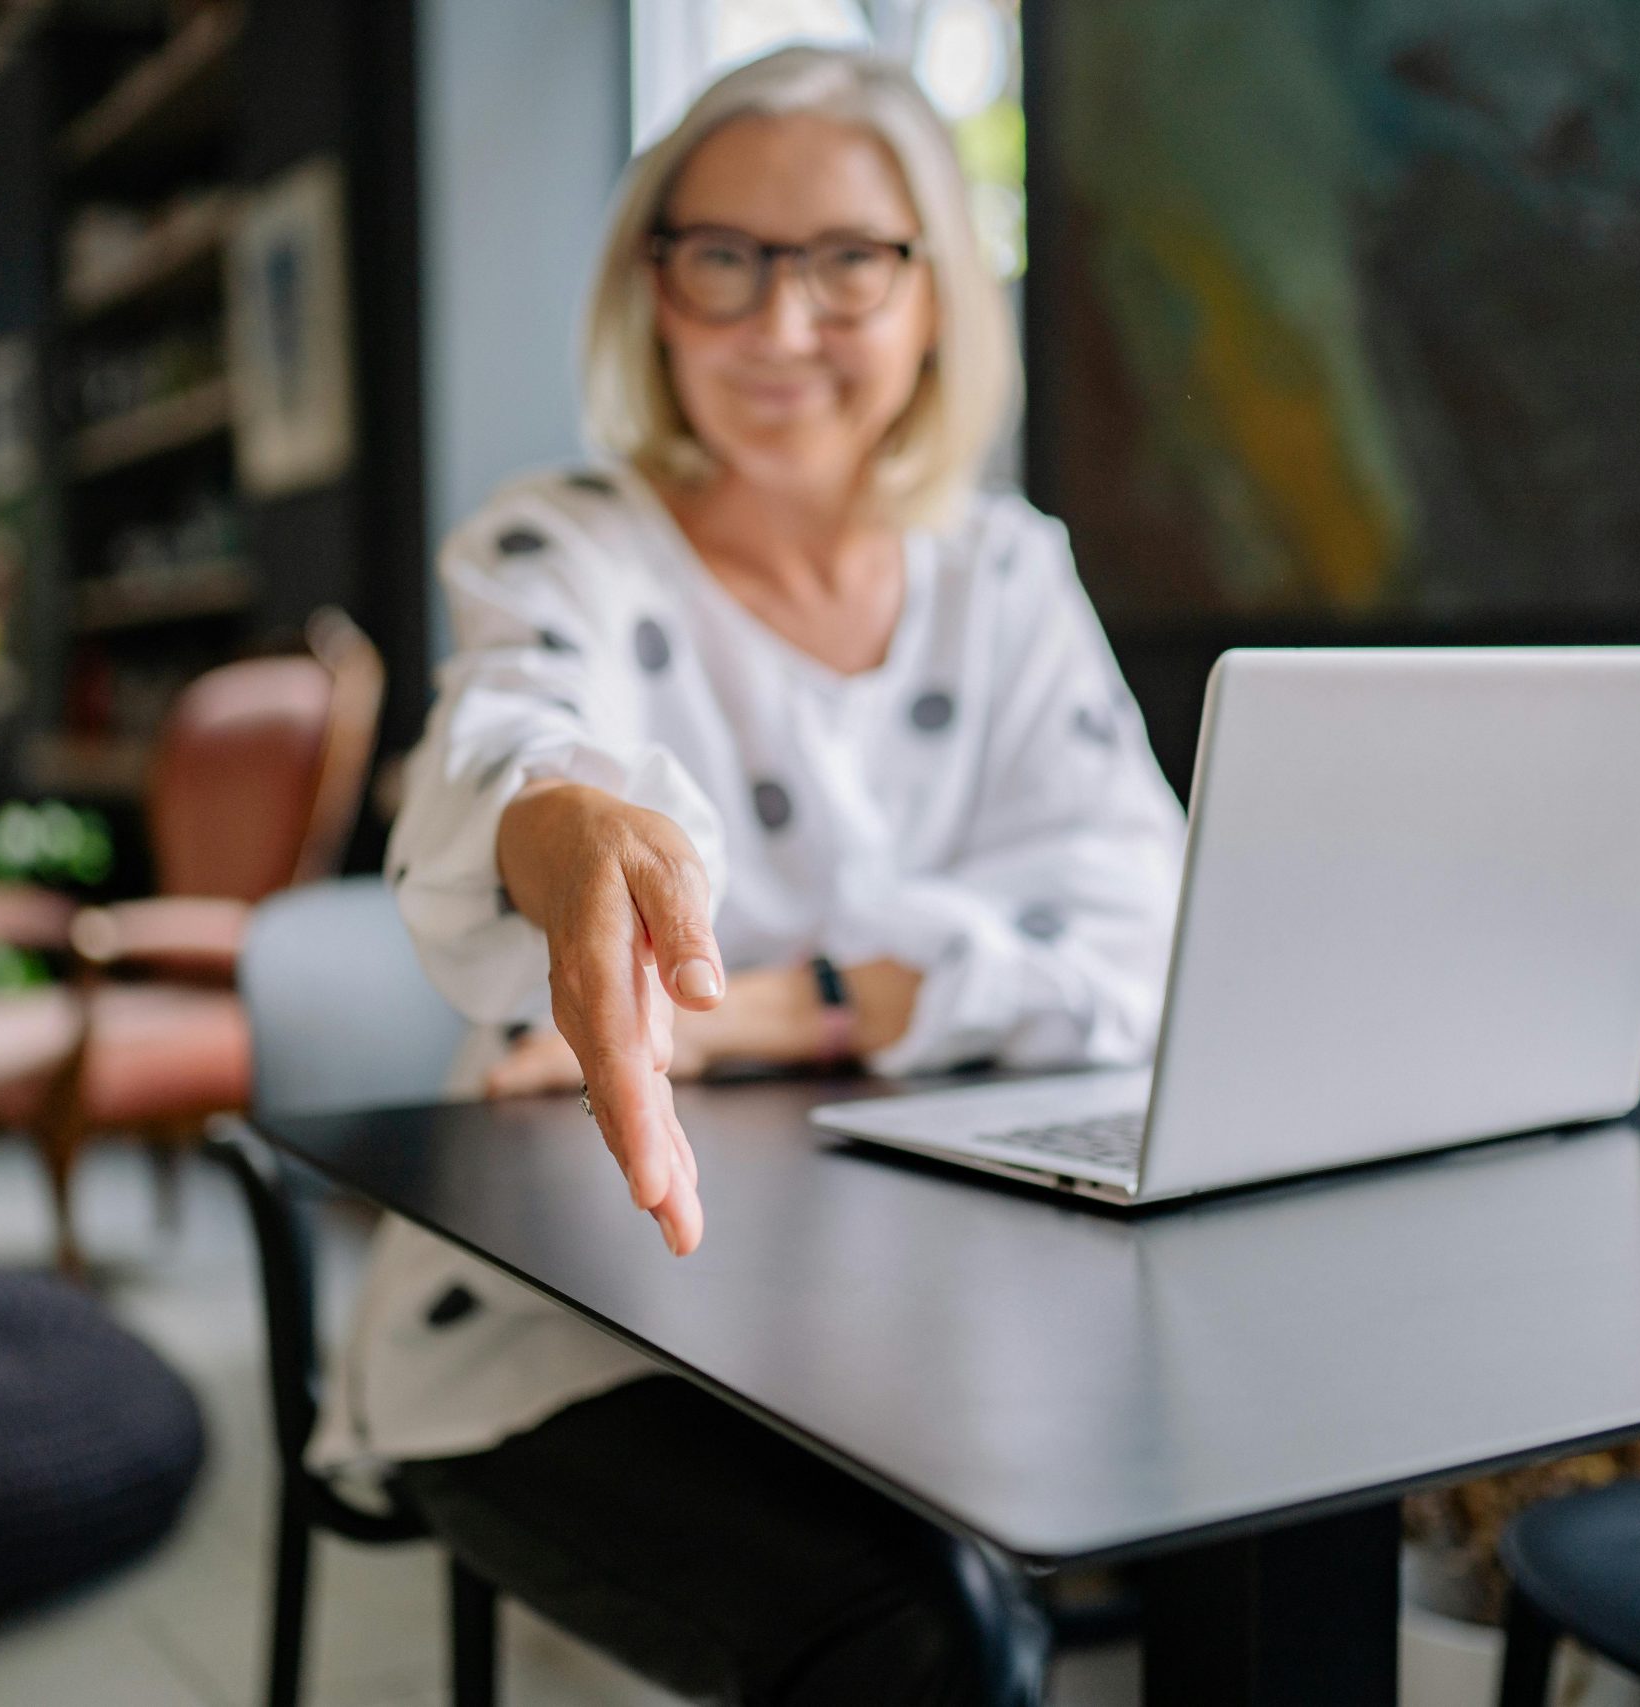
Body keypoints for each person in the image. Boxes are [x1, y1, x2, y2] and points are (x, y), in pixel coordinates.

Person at [309, 45, 1186, 1706]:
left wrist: (790, 1005)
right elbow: (514, 738)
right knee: (927, 1647)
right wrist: (557, 822)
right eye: (725, 262)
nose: (783, 329)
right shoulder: (558, 542)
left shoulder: (1006, 573)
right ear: (654, 289)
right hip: (557, 1332)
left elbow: (1144, 927)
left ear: (934, 291)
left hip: (932, 1297)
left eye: (848, 261)